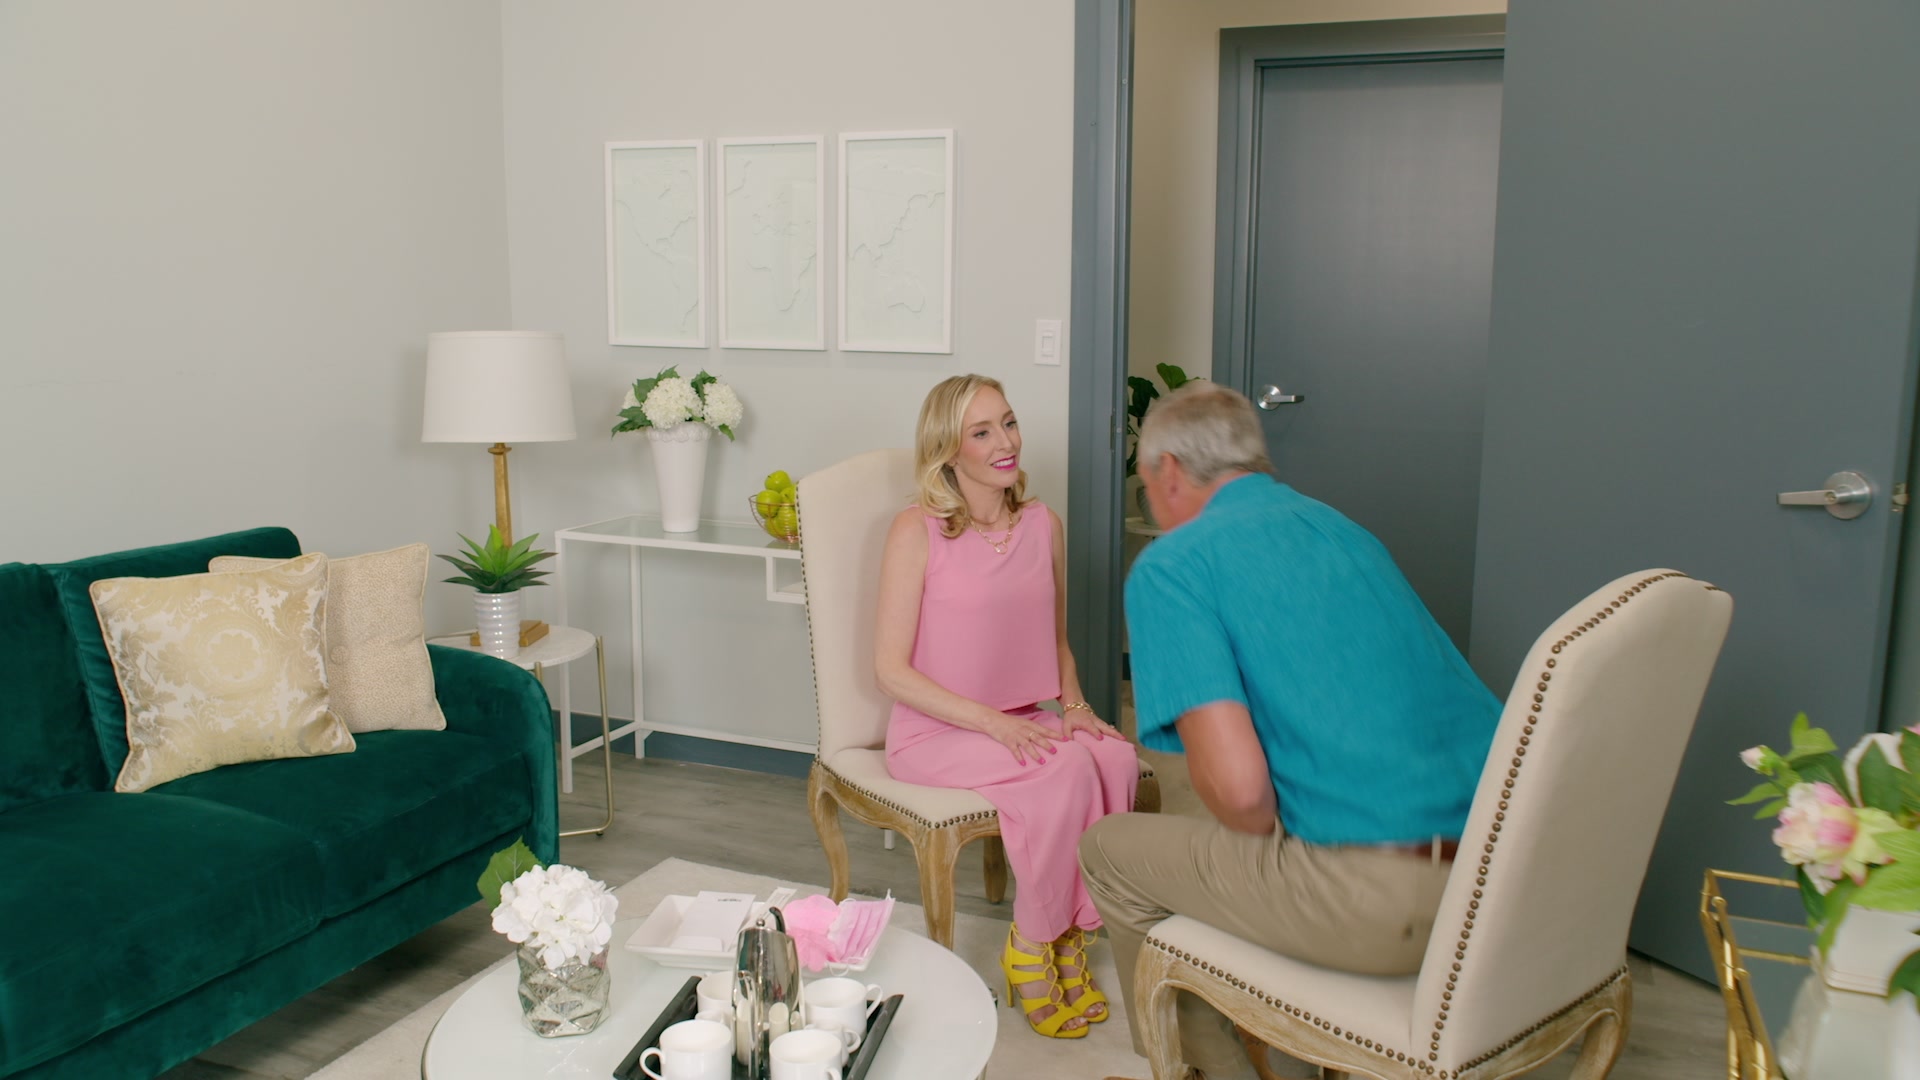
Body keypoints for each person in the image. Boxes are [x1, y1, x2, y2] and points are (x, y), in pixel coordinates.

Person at [1080, 381, 1500, 1079]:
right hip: (1498, 880)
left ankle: (1205, 1068)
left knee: (1109, 850)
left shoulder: (1174, 566)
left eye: (1149, 487)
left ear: (1170, 473)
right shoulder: (1344, 530)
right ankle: (1276, 1034)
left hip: (1386, 904)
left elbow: (1244, 799)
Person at [877, 373, 1139, 1040]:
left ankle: (1071, 936)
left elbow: (1055, 637)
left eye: (1009, 423)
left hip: (1018, 719)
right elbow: (890, 671)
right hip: (935, 733)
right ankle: (1032, 943)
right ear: (948, 449)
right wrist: (993, 724)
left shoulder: (1042, 525)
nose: (1006, 442)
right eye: (982, 432)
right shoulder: (916, 531)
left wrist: (1074, 705)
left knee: (1112, 755)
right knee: (1065, 769)